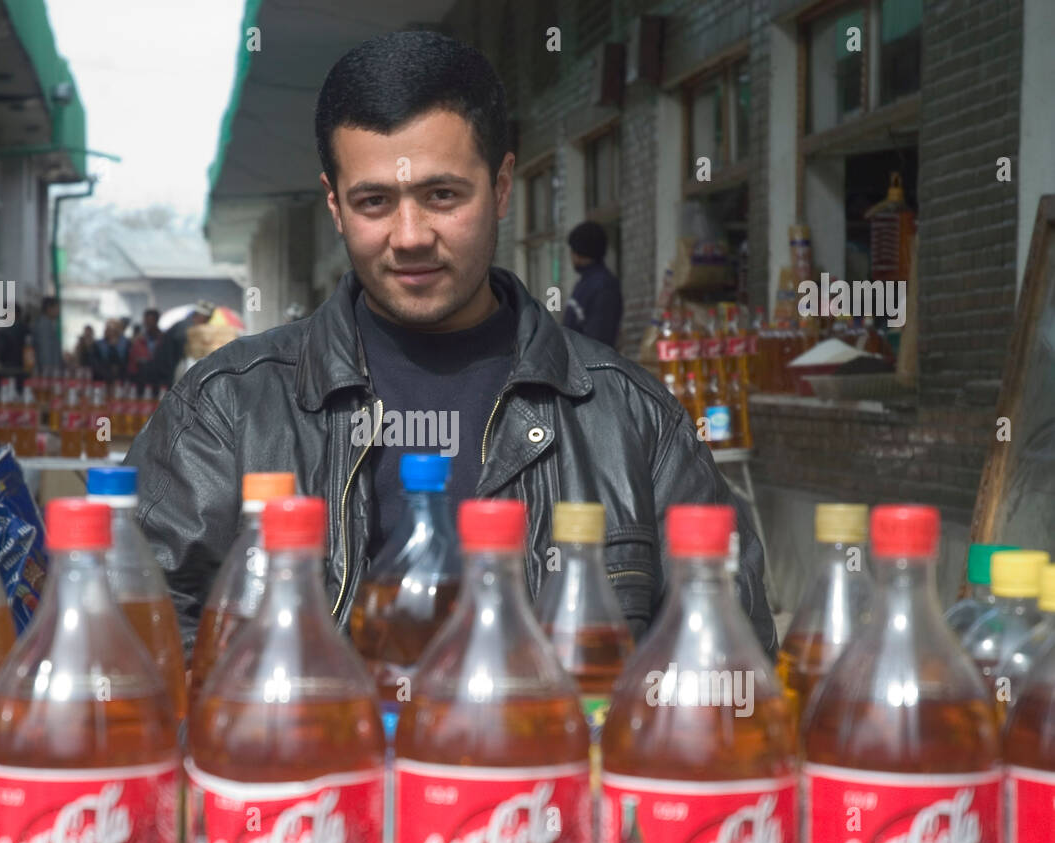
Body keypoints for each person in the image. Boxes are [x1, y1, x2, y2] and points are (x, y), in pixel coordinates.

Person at [125, 31, 775, 655]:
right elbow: (133, 638)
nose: (409, 235)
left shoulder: (631, 420)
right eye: (374, 201)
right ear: (334, 207)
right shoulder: (229, 411)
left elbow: (727, 663)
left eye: (441, 195)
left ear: (499, 187)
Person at [564, 221, 623, 348]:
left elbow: (598, 340)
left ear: (579, 252)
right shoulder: (585, 282)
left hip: (588, 364)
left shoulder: (604, 286)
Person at [127, 308, 161, 384]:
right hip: (140, 377)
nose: (147, 324)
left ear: (156, 321)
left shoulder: (164, 339)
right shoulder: (138, 340)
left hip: (158, 377)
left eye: (150, 321)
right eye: (146, 321)